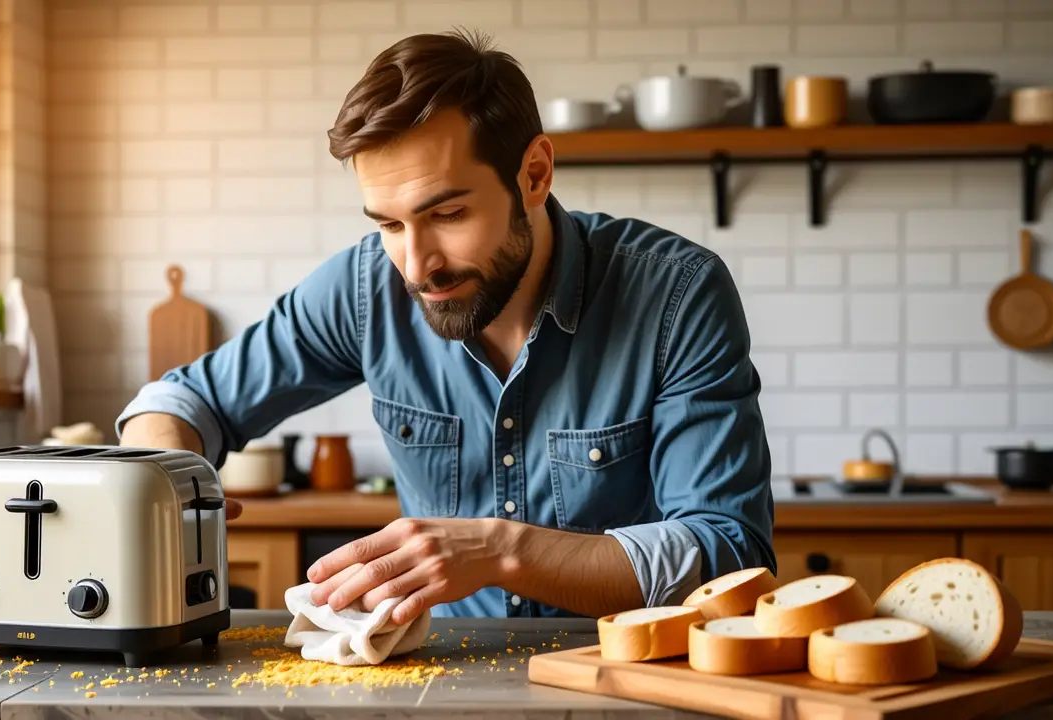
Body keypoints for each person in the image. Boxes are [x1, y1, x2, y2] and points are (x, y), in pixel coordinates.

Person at [117, 29, 774, 627]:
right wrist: (160, 481)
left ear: (535, 175)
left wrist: (499, 551)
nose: (416, 264)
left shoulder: (677, 293)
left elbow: (729, 554)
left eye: (449, 213)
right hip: (436, 679)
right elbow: (183, 401)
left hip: (626, 675)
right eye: (388, 224)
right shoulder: (364, 289)